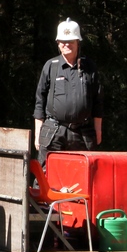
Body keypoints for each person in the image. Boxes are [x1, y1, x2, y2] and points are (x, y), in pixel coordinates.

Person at [33, 18, 103, 166]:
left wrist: (98, 130)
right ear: (58, 43)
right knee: (45, 176)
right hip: (53, 132)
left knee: (82, 179)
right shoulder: (50, 66)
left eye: (71, 40)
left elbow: (98, 100)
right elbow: (40, 99)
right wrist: (38, 132)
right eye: (63, 41)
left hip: (82, 133)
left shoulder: (89, 67)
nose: (67, 44)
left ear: (78, 42)